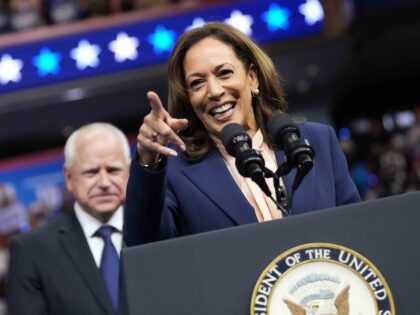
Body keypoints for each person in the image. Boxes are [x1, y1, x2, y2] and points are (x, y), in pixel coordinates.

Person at [124, 22, 360, 246]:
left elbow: (355, 228)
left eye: (224, 73)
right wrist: (147, 161)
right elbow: (144, 245)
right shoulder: (176, 172)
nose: (214, 91)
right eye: (197, 83)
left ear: (252, 77)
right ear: (189, 99)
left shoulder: (317, 141)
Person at [7, 122, 131, 315]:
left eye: (113, 170)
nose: (104, 183)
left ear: (129, 171)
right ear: (69, 177)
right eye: (91, 172)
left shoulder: (156, 230)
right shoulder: (32, 251)